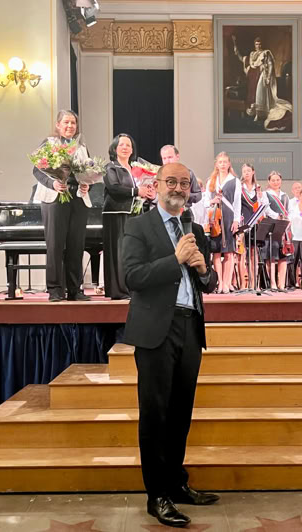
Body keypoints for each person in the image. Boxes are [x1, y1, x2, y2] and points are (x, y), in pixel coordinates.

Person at [122, 162, 218, 528]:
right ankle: (157, 495)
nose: (178, 188)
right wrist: (174, 260)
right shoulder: (138, 226)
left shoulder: (193, 228)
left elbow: (208, 283)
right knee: (155, 414)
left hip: (190, 328)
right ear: (157, 185)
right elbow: (131, 277)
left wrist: (204, 270)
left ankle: (176, 484)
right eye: (172, 181)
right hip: (155, 331)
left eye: (184, 183)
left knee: (180, 412)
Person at [33, 109, 91, 302]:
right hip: (55, 198)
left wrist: (87, 183)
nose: (70, 126)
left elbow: (88, 171)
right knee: (56, 245)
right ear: (58, 125)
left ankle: (75, 289)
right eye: (66, 122)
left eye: (73, 123)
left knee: (76, 245)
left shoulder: (81, 146)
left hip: (78, 198)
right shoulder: (49, 143)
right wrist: (53, 183)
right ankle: (55, 289)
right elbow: (37, 170)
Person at [102, 133, 149, 300]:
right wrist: (136, 191)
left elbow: (141, 189)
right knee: (119, 252)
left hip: (134, 214)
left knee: (132, 251)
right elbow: (114, 188)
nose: (125, 148)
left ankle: (131, 287)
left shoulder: (136, 169)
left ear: (132, 150)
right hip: (116, 214)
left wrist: (147, 191)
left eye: (128, 145)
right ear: (115, 148)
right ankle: (118, 289)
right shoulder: (110, 167)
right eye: (121, 144)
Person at [232, 35, 292, 131]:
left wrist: (268, 77)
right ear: (254, 45)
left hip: (261, 76)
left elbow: (270, 65)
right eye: (256, 44)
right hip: (252, 77)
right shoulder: (252, 54)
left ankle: (260, 114)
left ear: (261, 45)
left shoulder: (265, 53)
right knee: (253, 95)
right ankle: (255, 112)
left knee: (259, 94)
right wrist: (237, 51)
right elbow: (243, 59)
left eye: (259, 44)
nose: (258, 46)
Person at [204, 151, 242, 294]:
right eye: (220, 162)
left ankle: (226, 283)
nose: (222, 164)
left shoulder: (235, 181)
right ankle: (219, 282)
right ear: (216, 164)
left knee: (229, 253)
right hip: (216, 220)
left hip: (229, 218)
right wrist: (212, 201)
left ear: (229, 164)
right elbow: (205, 201)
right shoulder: (211, 180)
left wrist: (236, 220)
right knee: (216, 253)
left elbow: (237, 203)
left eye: (225, 162)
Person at [240, 163, 268, 289]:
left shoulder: (258, 188)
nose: (246, 173)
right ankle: (243, 284)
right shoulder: (239, 188)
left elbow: (264, 206)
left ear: (253, 172)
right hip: (243, 225)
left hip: (255, 224)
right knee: (242, 254)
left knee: (254, 253)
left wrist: (261, 197)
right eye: (244, 171)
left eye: (248, 171)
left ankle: (254, 283)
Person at [263, 171, 291, 292]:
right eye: (273, 180)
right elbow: (266, 209)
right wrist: (277, 216)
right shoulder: (266, 194)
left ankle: (282, 284)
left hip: (284, 228)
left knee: (283, 256)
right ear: (269, 182)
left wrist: (288, 219)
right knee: (271, 256)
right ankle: (272, 283)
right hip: (272, 226)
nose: (275, 182)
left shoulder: (285, 196)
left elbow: (290, 210)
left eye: (278, 180)